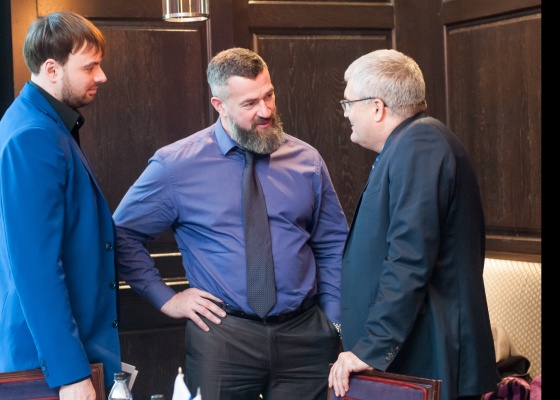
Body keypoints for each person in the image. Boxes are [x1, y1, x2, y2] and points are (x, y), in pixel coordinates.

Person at [113, 47, 349, 400]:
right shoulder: (175, 166)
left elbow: (332, 242)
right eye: (250, 103)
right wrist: (166, 299)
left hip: (306, 337)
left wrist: (333, 320)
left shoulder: (307, 160)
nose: (265, 111)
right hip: (222, 337)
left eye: (269, 95)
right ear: (219, 105)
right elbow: (121, 234)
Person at [328, 49, 499, 400]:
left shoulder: (420, 143)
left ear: (376, 107)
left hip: (431, 355)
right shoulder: (409, 143)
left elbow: (410, 258)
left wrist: (372, 346)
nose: (345, 113)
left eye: (348, 103)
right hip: (417, 350)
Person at [0, 11, 121, 399]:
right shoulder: (33, 135)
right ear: (52, 69)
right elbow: (36, 267)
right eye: (90, 67)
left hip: (47, 351)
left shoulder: (41, 120)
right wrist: (70, 373)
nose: (101, 76)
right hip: (43, 359)